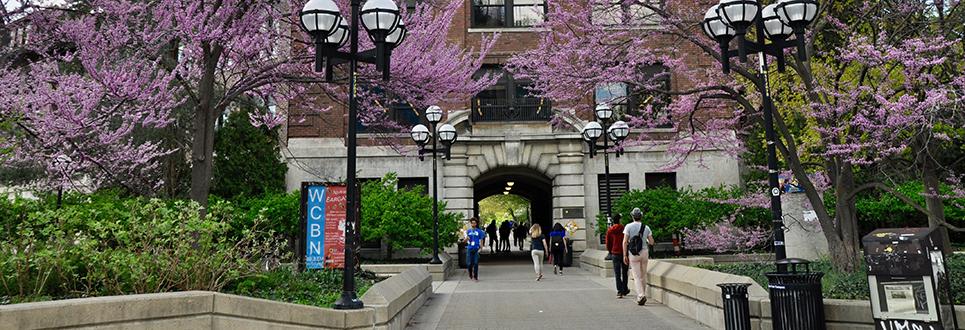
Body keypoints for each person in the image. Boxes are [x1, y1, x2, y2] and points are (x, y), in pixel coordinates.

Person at [623, 207, 655, 306]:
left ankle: (640, 295)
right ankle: (643, 294)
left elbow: (624, 242)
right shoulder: (646, 227)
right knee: (643, 274)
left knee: (636, 276)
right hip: (644, 252)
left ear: (632, 216)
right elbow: (652, 242)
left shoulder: (628, 226)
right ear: (641, 216)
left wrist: (624, 255)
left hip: (633, 253)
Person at [605, 214, 630, 298]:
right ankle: (625, 288)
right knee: (625, 272)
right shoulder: (624, 229)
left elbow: (608, 243)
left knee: (617, 273)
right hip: (624, 252)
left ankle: (619, 291)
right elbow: (627, 241)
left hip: (614, 253)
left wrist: (610, 251)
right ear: (619, 220)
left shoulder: (610, 230)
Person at [464, 217, 486, 281]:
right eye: (472, 223)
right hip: (469, 248)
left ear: (476, 224)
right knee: (469, 263)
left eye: (474, 223)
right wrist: (466, 239)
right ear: (471, 224)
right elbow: (464, 241)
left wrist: (481, 248)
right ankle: (470, 273)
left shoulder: (479, 231)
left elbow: (481, 240)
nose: (473, 224)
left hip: (476, 248)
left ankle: (475, 276)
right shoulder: (468, 231)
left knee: (476, 263)